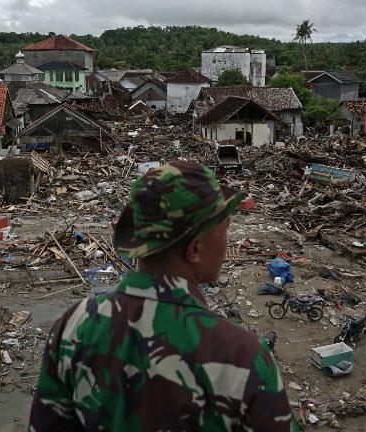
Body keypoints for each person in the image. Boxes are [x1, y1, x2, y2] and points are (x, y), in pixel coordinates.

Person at [29, 161, 297, 432]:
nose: (227, 243)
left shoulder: (73, 326)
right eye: (225, 229)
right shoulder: (244, 356)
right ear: (195, 249)